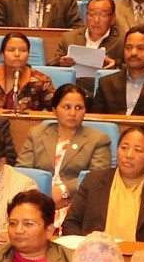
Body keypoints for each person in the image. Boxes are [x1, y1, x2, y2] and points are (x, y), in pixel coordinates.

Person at [64, 124, 144, 242]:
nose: (129, 155)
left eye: (138, 150)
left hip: (143, 257)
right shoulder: (93, 180)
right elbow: (71, 223)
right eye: (124, 148)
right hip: (94, 256)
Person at [19, 82, 112, 214]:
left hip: (77, 202)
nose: (73, 113)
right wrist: (44, 194)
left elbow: (97, 178)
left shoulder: (98, 139)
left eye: (79, 107)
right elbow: (24, 171)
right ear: (54, 110)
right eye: (67, 107)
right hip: (37, 201)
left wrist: (63, 190)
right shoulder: (36, 134)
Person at [87, 28, 144, 117]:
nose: (133, 53)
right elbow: (97, 123)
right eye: (128, 47)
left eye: (140, 48)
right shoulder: (106, 83)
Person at [0, 31, 54, 113]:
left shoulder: (41, 80)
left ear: (28, 55)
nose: (17, 54)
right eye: (11, 50)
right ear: (2, 55)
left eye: (23, 50)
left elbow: (57, 109)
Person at [52, 0, 123, 70]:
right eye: (92, 14)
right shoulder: (69, 38)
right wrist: (61, 63)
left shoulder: (122, 40)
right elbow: (52, 65)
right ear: (86, 16)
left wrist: (116, 65)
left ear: (113, 18)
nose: (96, 20)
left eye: (103, 15)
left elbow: (134, 67)